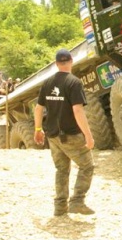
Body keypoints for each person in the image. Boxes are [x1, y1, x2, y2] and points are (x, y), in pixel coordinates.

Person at [34, 49, 96, 216]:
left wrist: (38, 129)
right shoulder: (74, 83)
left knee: (61, 170)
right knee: (87, 166)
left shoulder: (47, 83)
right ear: (71, 61)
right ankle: (77, 201)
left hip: (52, 136)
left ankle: (60, 207)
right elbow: (77, 111)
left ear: (56, 64)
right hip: (70, 135)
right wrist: (88, 135)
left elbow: (38, 109)